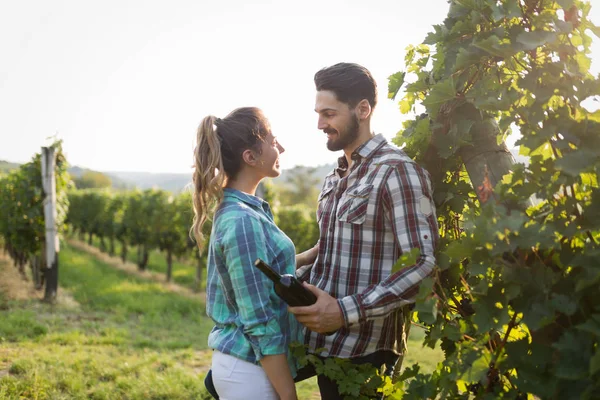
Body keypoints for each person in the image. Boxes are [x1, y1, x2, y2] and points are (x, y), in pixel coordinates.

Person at [289, 63, 440, 399]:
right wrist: (293, 271)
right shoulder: (335, 176)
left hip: (363, 352)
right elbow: (336, 248)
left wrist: (344, 312)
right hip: (316, 340)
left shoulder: (397, 172)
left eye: (328, 113)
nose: (319, 124)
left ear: (363, 109)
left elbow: (423, 265)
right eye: (318, 113)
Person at [192, 107, 317, 400]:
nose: (281, 148)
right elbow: (258, 320)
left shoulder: (244, 211)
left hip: (251, 368)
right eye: (273, 142)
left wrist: (310, 255)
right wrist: (289, 395)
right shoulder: (242, 221)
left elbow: (256, 274)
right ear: (250, 157)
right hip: (250, 372)